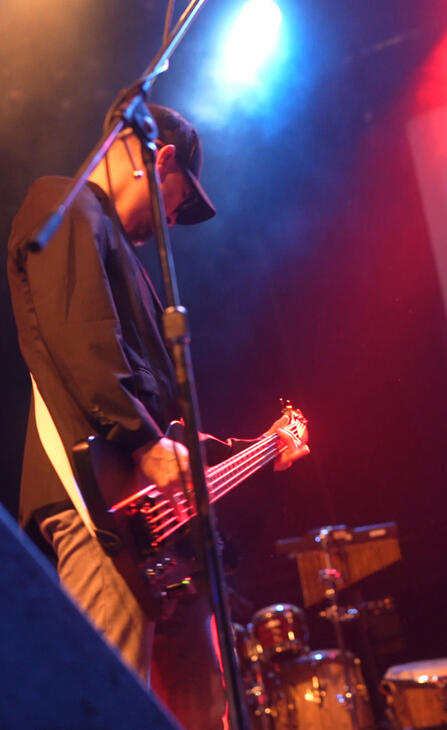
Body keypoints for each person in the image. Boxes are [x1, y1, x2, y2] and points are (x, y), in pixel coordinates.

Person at [6, 104, 309, 728]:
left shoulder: (118, 250)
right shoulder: (65, 204)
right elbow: (82, 343)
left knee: (199, 705)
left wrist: (254, 449)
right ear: (159, 159)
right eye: (175, 203)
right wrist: (146, 446)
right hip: (102, 514)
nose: (170, 222)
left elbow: (164, 423)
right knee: (109, 699)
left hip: (154, 528)